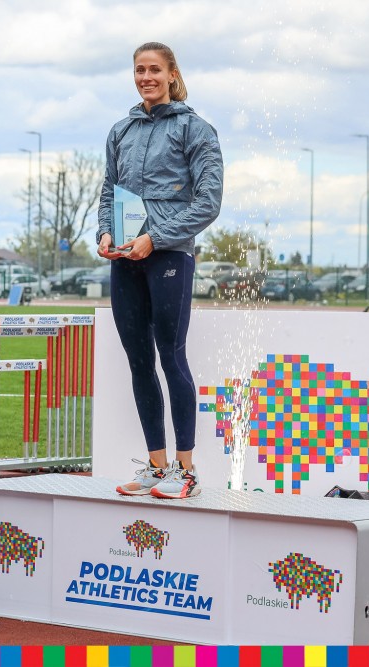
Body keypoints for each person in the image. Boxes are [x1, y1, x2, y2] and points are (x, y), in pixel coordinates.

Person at [96, 42, 224, 499]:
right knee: (138, 361)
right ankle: (156, 465)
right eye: (139, 70)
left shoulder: (196, 129)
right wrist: (105, 233)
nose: (146, 77)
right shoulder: (120, 131)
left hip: (170, 256)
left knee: (171, 356)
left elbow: (208, 202)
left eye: (154, 69)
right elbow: (109, 191)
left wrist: (157, 237)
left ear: (172, 74)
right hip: (125, 260)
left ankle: (186, 472)